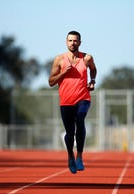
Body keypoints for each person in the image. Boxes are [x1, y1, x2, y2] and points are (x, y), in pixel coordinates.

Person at [48, 31, 97, 174]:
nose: (72, 43)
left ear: (80, 42)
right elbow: (51, 82)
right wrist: (63, 73)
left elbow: (93, 70)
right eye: (70, 40)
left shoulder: (86, 58)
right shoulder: (59, 60)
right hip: (66, 102)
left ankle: (79, 157)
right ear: (66, 42)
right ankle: (70, 156)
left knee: (80, 120)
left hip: (83, 98)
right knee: (70, 132)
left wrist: (92, 81)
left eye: (75, 41)